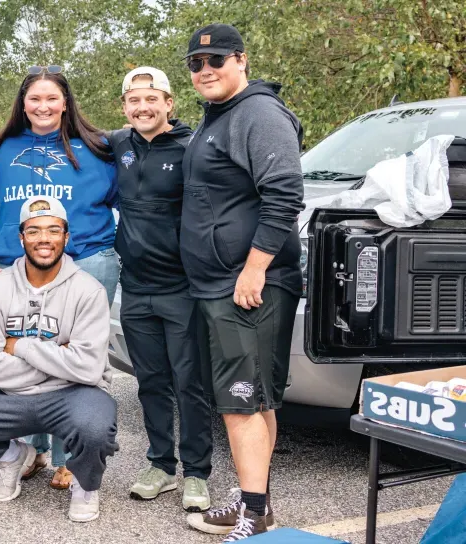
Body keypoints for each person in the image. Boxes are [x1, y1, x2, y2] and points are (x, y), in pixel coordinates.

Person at [179, 24, 305, 541]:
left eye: (217, 61)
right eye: (196, 64)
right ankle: (257, 501)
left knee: (240, 398)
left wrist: (253, 268)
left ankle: (253, 517)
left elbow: (284, 193)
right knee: (255, 399)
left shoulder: (258, 112)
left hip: (247, 285)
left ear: (241, 60)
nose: (206, 70)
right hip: (218, 285)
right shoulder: (220, 116)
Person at [0, 196, 119, 523]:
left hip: (72, 396)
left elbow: (88, 368)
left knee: (95, 426)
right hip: (11, 399)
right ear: (21, 238)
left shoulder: (88, 291)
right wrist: (61, 359)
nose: (44, 239)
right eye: (34, 231)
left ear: (66, 237)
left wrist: (19, 346)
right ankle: (15, 456)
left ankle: (86, 485)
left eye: (53, 230)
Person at [0, 65, 119, 488]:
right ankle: (34, 449)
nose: (43, 106)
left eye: (51, 98)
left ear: (66, 102)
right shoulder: (2, 149)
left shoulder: (98, 148)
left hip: (87, 262)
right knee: (25, 354)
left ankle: (70, 455)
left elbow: (129, 200)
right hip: (18, 267)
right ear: (22, 104)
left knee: (73, 359)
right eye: (34, 99)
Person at [107, 67, 213, 512]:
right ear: (125, 108)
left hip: (182, 288)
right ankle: (161, 466)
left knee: (190, 383)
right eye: (134, 100)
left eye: (152, 99)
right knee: (150, 382)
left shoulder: (192, 147)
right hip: (135, 288)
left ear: (169, 103)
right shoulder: (117, 145)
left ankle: (197, 474)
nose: (143, 107)